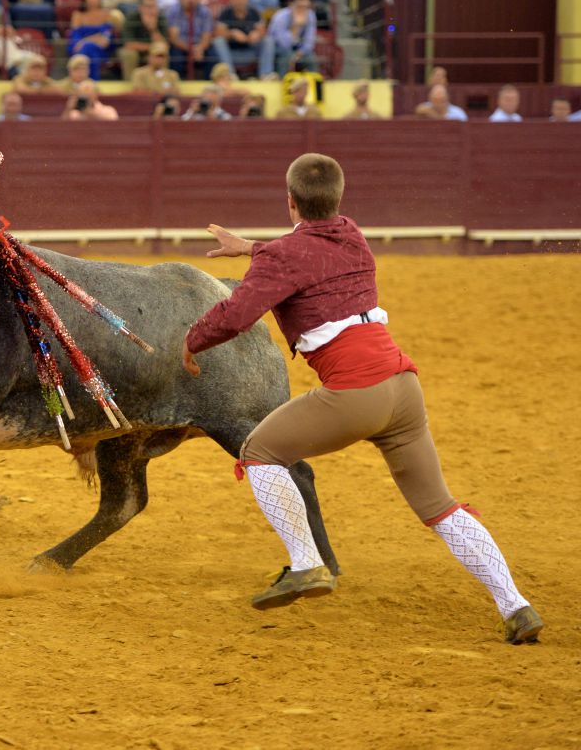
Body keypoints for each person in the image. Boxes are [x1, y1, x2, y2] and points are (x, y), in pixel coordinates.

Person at [181, 152, 543, 645]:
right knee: (440, 508)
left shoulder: (286, 255)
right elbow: (304, 253)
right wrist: (249, 247)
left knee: (259, 453)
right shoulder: (352, 233)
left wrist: (190, 340)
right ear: (337, 200)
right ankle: (515, 605)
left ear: (289, 202)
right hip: (403, 388)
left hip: (355, 392)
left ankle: (307, 563)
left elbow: (236, 314)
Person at [258, 0, 315, 79]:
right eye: (299, 6)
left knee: (311, 59)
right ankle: (281, 82)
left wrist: (299, 53)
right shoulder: (280, 17)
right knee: (286, 56)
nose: (303, 10)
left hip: (297, 50)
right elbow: (284, 44)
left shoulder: (310, 15)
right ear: (291, 6)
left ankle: (314, 85)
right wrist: (296, 27)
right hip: (276, 48)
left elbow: (309, 42)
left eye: (306, 7)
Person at [68, 0, 118, 80]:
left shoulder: (107, 14)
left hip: (100, 50)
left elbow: (104, 41)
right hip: (79, 49)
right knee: (85, 49)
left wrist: (85, 41)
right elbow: (75, 40)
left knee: (88, 48)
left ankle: (89, 82)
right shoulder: (78, 15)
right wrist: (94, 38)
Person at [212, 0, 263, 78]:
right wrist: (231, 34)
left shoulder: (254, 12)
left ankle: (265, 74)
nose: (241, 1)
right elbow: (218, 33)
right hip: (231, 53)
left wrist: (257, 34)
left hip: (251, 51)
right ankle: (229, 74)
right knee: (218, 41)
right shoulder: (225, 13)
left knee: (269, 41)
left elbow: (262, 32)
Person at [166, 0, 216, 78]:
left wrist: (200, 48)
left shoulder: (205, 12)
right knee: (175, 56)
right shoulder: (173, 11)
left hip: (199, 45)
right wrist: (190, 49)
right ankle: (178, 84)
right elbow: (174, 38)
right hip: (181, 46)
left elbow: (207, 35)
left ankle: (209, 85)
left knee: (212, 56)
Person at [117, 0, 168, 80]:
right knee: (129, 54)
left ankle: (161, 83)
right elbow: (129, 44)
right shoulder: (131, 18)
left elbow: (164, 45)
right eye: (148, 7)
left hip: (152, 51)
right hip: (134, 50)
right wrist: (152, 47)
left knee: (161, 54)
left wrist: (153, 30)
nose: (151, 10)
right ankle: (131, 85)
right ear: (140, 8)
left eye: (153, 6)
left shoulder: (161, 18)